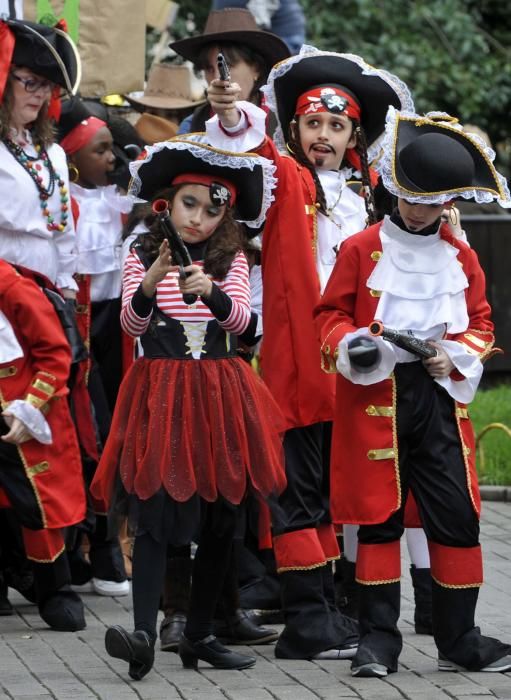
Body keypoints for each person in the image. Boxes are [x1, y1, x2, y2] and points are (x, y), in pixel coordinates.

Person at [206, 44, 414, 660]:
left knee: (325, 488)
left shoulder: (366, 196)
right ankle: (304, 620)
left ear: (354, 135)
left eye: (336, 124)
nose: (322, 134)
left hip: (350, 364)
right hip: (294, 361)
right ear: (293, 128)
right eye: (312, 122)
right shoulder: (281, 179)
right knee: (297, 491)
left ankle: (322, 613)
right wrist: (232, 111)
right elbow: (248, 146)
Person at [314, 108, 511, 677]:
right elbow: (326, 318)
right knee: (378, 520)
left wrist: (456, 353)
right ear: (391, 190)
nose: (418, 209)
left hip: (439, 398)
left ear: (448, 202)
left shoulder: (462, 256)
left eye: (431, 201)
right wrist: (354, 346)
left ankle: (460, 638)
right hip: (377, 398)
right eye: (409, 196)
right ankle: (378, 641)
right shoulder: (361, 249)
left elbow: (481, 322)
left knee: (456, 518)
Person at [90, 138, 286, 680]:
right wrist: (151, 284)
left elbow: (250, 328)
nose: (198, 217)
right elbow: (128, 330)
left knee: (224, 516)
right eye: (189, 204)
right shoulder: (141, 254)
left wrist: (217, 296)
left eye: (212, 207)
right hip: (160, 392)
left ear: (226, 214)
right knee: (154, 513)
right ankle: (142, 635)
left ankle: (201, 632)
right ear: (167, 205)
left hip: (222, 394)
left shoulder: (233, 258)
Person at [58, 96, 131, 597]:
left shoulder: (122, 201)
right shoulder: (63, 202)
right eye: (101, 150)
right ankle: (86, 546)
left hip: (119, 327)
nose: (112, 159)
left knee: (117, 434)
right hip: (76, 324)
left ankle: (107, 546)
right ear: (73, 158)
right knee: (89, 432)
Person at [0, 259, 86, 631]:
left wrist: (31, 406)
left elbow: (55, 354)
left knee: (36, 508)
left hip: (14, 412)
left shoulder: (14, 288)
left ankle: (56, 591)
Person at [0, 18, 79, 297]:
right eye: (31, 82)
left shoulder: (53, 154)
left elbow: (63, 232)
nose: (41, 95)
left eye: (47, 85)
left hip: (47, 291)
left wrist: (67, 293)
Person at [170, 7, 290, 134]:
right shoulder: (192, 126)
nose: (217, 77)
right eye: (209, 69)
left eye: (228, 66)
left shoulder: (284, 119)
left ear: (256, 68)